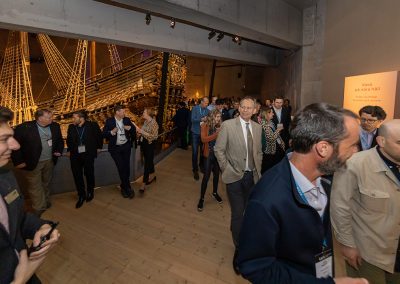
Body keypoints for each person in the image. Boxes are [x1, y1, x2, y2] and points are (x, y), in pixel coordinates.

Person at [237, 103, 368, 284]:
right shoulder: (267, 200)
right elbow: (256, 268)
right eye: (353, 145)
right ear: (323, 148)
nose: (357, 151)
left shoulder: (327, 178)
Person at [331, 119, 400, 284]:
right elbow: (339, 208)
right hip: (369, 254)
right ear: (381, 141)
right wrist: (347, 245)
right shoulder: (354, 165)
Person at [0, 106, 60, 284]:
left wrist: (41, 226)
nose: (15, 144)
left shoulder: (6, 178)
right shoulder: (26, 129)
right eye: (4, 139)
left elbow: (18, 218)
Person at [214, 96, 263, 274]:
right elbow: (218, 150)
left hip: (252, 178)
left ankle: (247, 240)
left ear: (255, 110)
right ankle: (239, 249)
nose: (245, 110)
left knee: (249, 213)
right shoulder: (228, 125)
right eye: (243, 107)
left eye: (249, 108)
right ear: (238, 107)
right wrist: (226, 169)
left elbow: (258, 152)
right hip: (234, 177)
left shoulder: (258, 128)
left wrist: (259, 172)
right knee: (238, 214)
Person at [11, 109, 64, 216]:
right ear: (40, 118)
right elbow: (15, 146)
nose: (52, 119)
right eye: (49, 117)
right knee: (35, 186)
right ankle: (39, 208)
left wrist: (58, 150)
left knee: (46, 182)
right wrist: (18, 162)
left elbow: (59, 140)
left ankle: (46, 201)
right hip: (31, 163)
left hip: (49, 161)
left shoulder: (55, 126)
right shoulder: (24, 128)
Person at [66, 110, 103, 208]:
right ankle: (81, 195)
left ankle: (90, 191)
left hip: (88, 154)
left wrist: (99, 148)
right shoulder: (71, 127)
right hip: (75, 156)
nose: (72, 119)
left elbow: (99, 136)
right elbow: (69, 140)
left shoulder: (93, 125)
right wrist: (69, 150)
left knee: (89, 173)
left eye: (74, 117)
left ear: (81, 118)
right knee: (77, 176)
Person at [103, 105, 136, 199]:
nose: (124, 113)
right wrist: (111, 132)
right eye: (123, 111)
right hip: (115, 149)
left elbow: (133, 130)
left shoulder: (126, 120)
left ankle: (124, 186)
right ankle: (127, 187)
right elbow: (104, 134)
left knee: (126, 167)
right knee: (121, 167)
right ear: (117, 112)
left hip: (126, 147)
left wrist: (130, 128)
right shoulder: (109, 121)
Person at [197, 109, 223, 211]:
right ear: (212, 116)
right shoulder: (205, 125)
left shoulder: (219, 126)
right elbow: (203, 139)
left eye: (219, 117)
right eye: (217, 117)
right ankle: (202, 198)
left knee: (216, 175)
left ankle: (215, 193)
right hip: (209, 154)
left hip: (217, 155)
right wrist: (216, 134)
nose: (218, 119)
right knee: (206, 177)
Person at [134, 108, 159, 193]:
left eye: (144, 112)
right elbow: (144, 132)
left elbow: (155, 136)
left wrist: (142, 132)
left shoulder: (154, 123)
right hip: (144, 144)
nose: (143, 113)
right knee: (149, 161)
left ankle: (143, 184)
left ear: (148, 114)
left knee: (147, 164)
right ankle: (153, 175)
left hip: (150, 145)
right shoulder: (145, 122)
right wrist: (140, 133)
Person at [260, 107, 286, 174]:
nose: (273, 114)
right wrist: (278, 130)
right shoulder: (264, 125)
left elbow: (274, 134)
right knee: (269, 168)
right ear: (267, 114)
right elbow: (271, 138)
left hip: (276, 146)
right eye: (271, 112)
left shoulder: (270, 122)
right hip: (270, 150)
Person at [191, 97, 209, 180]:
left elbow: (208, 121)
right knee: (195, 152)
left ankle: (201, 166)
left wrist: (207, 120)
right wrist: (201, 119)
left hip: (203, 134)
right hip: (195, 133)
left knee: (202, 151)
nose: (207, 104)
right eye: (205, 103)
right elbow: (192, 119)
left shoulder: (207, 110)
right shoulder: (195, 108)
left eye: (207, 103)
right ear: (201, 102)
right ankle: (195, 170)